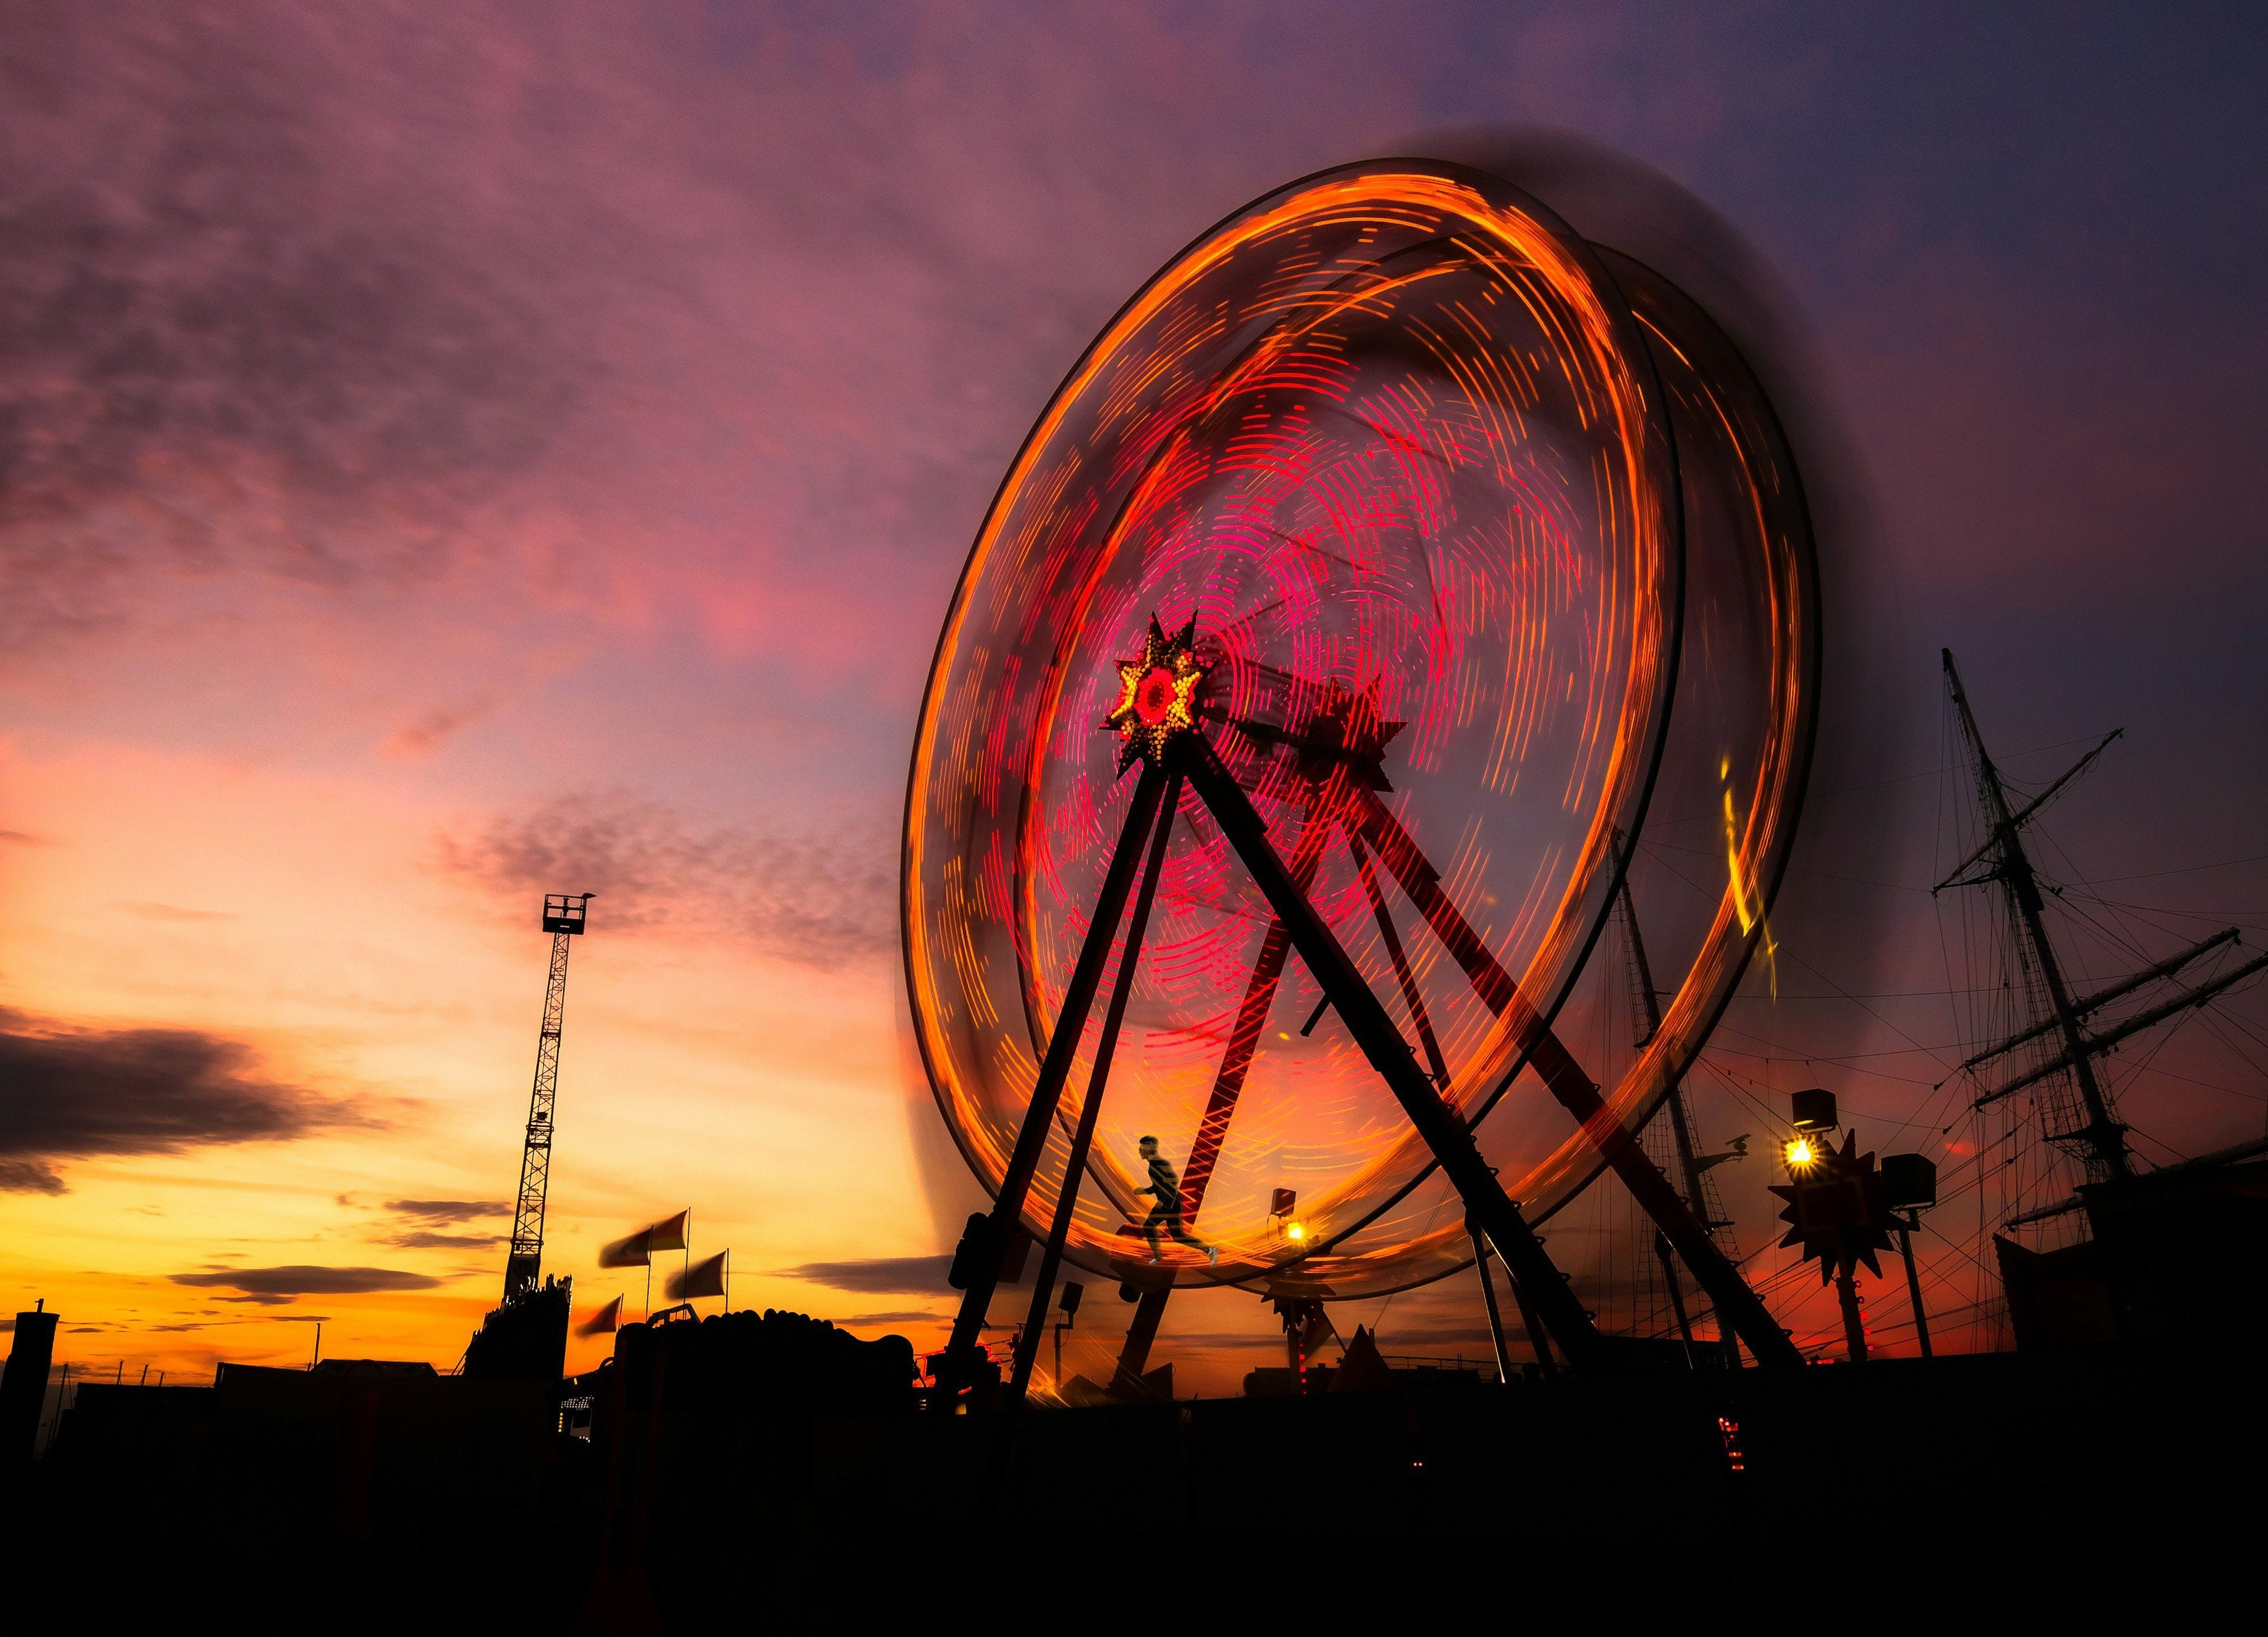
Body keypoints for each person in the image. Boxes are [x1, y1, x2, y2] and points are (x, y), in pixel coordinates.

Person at [1135, 1135, 1218, 1267]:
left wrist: (1168, 1204)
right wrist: (1145, 1191)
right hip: (1170, 1203)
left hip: (1169, 1203)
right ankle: (1209, 1250)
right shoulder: (1153, 1166)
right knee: (1178, 1236)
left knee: (1148, 1227)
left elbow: (1172, 1181)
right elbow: (1158, 1186)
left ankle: (1158, 1257)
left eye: (1142, 1148)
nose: (1139, 1150)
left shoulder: (1160, 1164)